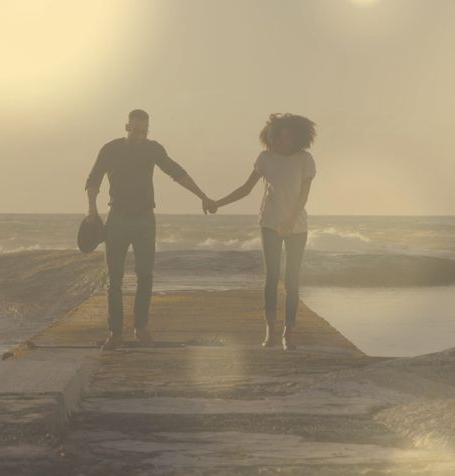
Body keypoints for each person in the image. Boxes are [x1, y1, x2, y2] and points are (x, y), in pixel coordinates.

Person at [85, 109, 217, 351]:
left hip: (145, 220)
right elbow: (93, 181)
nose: (139, 136)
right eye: (135, 131)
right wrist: (92, 210)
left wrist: (203, 196)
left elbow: (177, 173)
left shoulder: (153, 149)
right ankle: (115, 333)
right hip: (117, 219)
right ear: (127, 127)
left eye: (144, 132)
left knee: (145, 276)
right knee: (114, 279)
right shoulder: (110, 149)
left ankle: (141, 327)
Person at [210, 113, 317, 351]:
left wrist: (289, 221)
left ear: (297, 137)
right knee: (271, 277)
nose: (283, 142)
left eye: (288, 137)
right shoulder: (266, 158)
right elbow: (246, 189)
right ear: (272, 137)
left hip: (297, 226)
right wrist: (218, 202)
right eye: (279, 137)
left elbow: (304, 195)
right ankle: (271, 330)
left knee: (292, 279)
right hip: (269, 223)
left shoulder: (305, 159)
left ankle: (289, 332)